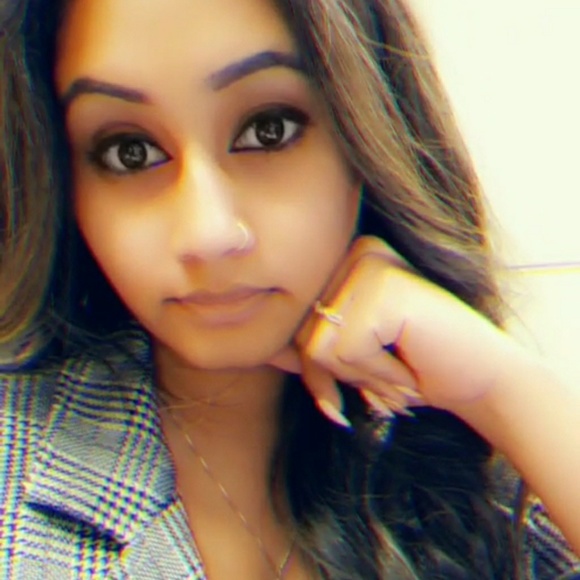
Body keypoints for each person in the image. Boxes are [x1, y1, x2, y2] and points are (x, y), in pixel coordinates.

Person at [1, 0, 579, 578]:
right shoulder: (17, 476)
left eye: (267, 130)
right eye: (130, 152)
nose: (208, 233)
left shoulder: (475, 465)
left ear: (368, 131)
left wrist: (502, 389)